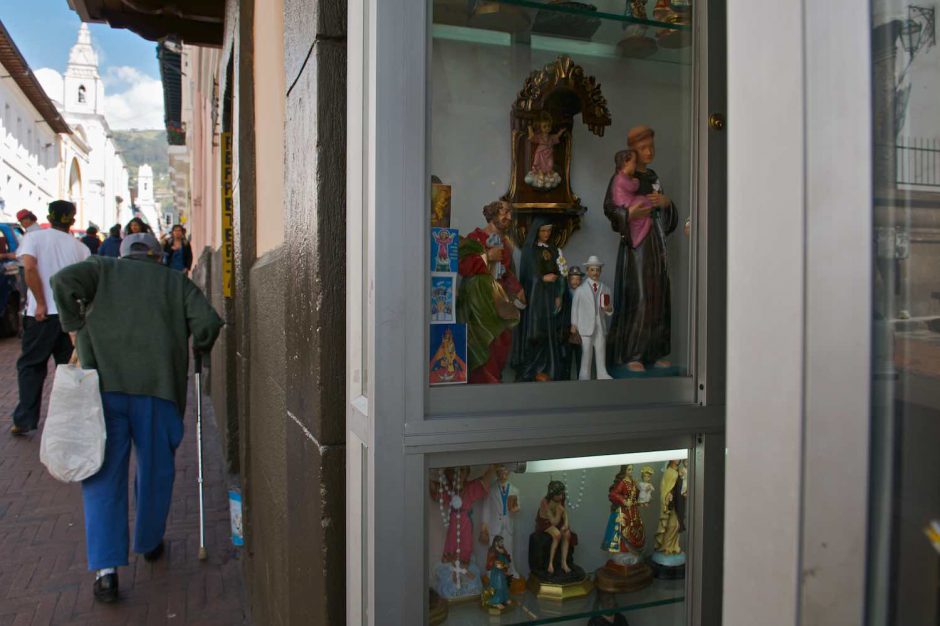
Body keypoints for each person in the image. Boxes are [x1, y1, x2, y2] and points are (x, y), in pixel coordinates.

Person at [51, 232, 223, 603]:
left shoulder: (101, 267)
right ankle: (149, 541)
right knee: (156, 470)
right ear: (158, 257)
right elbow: (208, 322)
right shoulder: (175, 281)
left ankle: (106, 570)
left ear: (124, 254)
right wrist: (200, 345)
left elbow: (62, 281)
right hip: (158, 392)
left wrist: (75, 324)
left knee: (102, 475)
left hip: (105, 392)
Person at [9, 200, 90, 436]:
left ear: (48, 217)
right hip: (70, 318)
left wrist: (41, 302)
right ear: (72, 221)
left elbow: (30, 268)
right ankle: (69, 421)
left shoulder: (33, 238)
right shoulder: (80, 248)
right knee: (69, 369)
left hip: (41, 316)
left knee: (31, 367)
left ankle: (25, 419)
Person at [604, 125, 678, 373]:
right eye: (643, 148)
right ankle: (632, 352)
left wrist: (666, 203)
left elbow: (664, 211)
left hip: (656, 241)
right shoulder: (621, 178)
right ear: (632, 152)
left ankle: (655, 351)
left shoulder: (653, 177)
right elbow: (610, 208)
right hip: (636, 246)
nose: (649, 152)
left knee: (658, 294)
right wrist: (628, 213)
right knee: (640, 294)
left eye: (651, 147)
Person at [456, 200, 525, 384]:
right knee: (480, 342)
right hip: (477, 305)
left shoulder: (505, 243)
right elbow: (463, 266)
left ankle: (494, 381)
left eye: (510, 213)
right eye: (505, 212)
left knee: (500, 340)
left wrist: (518, 290)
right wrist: (487, 257)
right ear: (493, 215)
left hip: (498, 303)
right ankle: (481, 382)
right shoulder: (475, 237)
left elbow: (507, 273)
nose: (509, 217)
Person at [512, 217, 564, 382]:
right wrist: (542, 278)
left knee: (550, 331)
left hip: (549, 295)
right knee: (536, 332)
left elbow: (560, 273)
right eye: (543, 231)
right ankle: (534, 369)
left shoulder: (554, 249)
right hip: (536, 298)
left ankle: (548, 368)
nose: (546, 234)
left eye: (549, 230)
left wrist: (558, 295)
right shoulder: (530, 249)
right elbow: (530, 275)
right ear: (536, 232)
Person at [570, 255, 614, 380]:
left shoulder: (605, 288)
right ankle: (584, 375)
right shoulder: (580, 290)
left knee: (601, 351)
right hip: (585, 327)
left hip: (600, 325)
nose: (595, 273)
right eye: (592, 270)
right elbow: (575, 308)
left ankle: (602, 372)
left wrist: (609, 309)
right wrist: (574, 324)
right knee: (586, 353)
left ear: (600, 271)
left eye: (597, 270)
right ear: (588, 271)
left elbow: (610, 308)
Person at [557, 265, 583, 380]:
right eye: (573, 279)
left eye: (578, 279)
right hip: (567, 330)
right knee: (566, 356)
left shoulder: (584, 294)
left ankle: (581, 377)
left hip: (581, 330)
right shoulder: (564, 294)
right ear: (568, 280)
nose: (575, 282)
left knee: (581, 356)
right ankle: (565, 379)